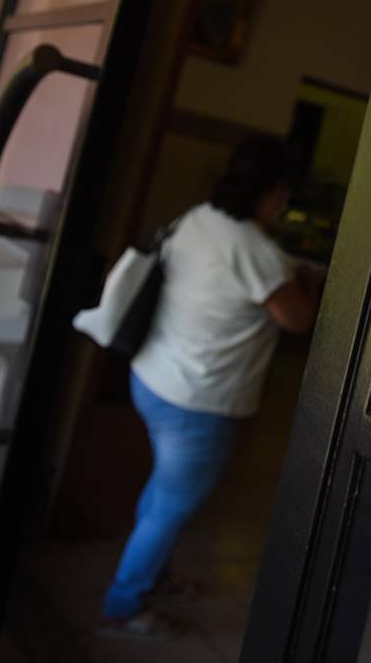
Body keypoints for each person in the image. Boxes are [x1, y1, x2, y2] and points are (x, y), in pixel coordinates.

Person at [101, 135, 324, 639]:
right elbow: (297, 319)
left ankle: (153, 578)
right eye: (284, 190)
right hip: (197, 404)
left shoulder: (197, 218)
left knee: (163, 493)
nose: (285, 200)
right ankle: (123, 607)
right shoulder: (258, 253)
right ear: (273, 192)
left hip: (152, 378)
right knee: (171, 506)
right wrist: (307, 281)